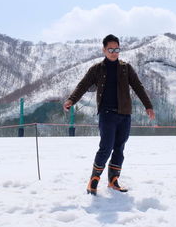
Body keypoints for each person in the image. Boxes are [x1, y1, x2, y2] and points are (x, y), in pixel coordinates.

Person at [63, 34, 155, 195]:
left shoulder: (126, 68)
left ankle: (113, 180)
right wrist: (71, 99)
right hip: (107, 115)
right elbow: (83, 85)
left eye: (117, 49)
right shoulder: (97, 69)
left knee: (119, 148)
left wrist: (148, 106)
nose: (114, 52)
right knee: (106, 147)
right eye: (110, 49)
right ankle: (94, 180)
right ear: (104, 50)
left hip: (125, 115)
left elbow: (138, 87)